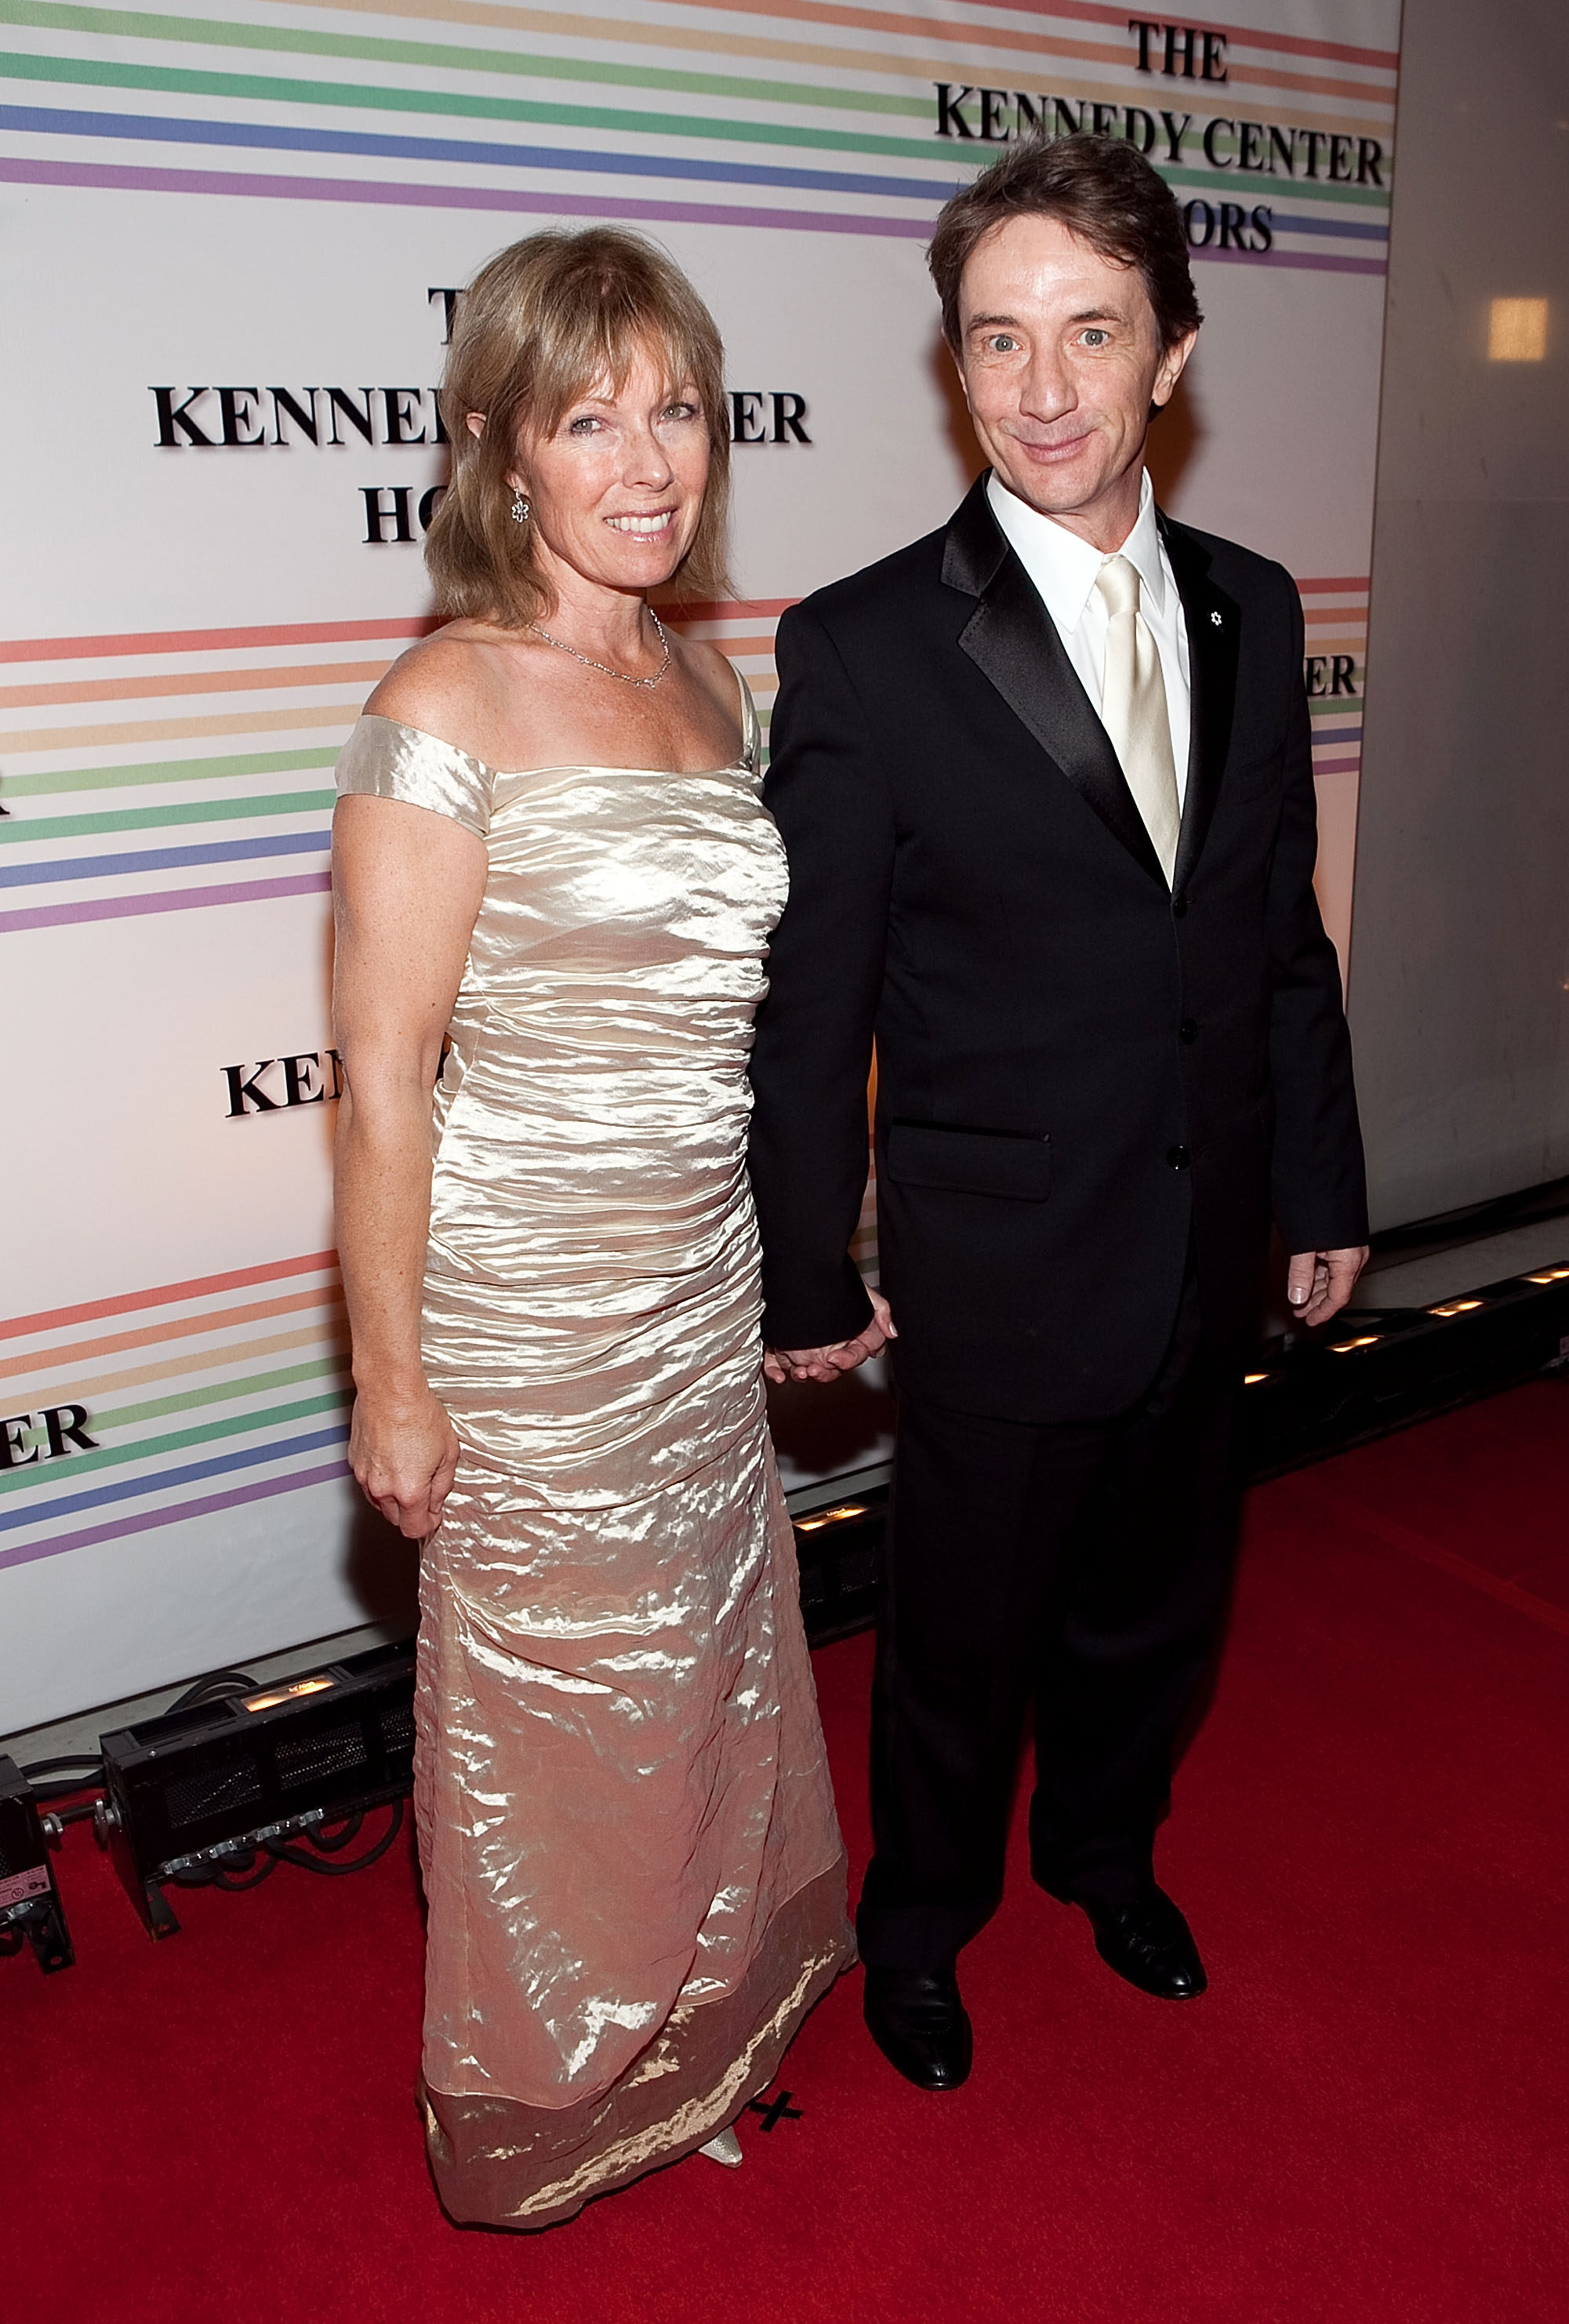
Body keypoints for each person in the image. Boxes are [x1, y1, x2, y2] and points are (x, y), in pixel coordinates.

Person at [749, 133, 1368, 2092]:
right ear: (953, 364)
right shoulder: (860, 645)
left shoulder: (1254, 611)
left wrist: (1317, 1181)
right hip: (997, 1252)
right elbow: (811, 998)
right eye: (995, 339)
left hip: (1212, 1224)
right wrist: (798, 1265)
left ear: (1168, 352)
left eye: (1086, 334)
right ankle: (918, 1925)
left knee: (1156, 1606)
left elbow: (1276, 937)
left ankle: (1107, 1857)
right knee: (959, 1636)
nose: (1038, 388)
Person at [330, 226, 853, 2227]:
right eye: (587, 419)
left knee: (705, 1680)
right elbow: (385, 1078)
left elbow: (749, 1026)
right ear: (497, 450)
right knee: (563, 1719)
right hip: (529, 1314)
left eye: (680, 412)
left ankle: (697, 2041)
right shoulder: (441, 701)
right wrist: (392, 1381)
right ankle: (563, 2083)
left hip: (694, 1286)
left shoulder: (709, 677)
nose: (647, 464)